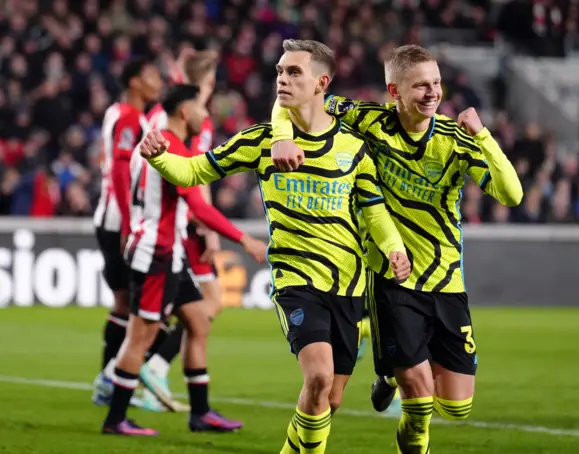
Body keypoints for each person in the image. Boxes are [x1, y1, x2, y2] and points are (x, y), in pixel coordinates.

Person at [138, 39, 412, 453]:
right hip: (297, 280)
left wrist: (394, 247)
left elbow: (374, 212)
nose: (282, 78)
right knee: (317, 378)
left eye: (294, 72)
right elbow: (194, 170)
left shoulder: (354, 149)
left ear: (322, 83)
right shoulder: (261, 140)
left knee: (329, 400)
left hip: (350, 287)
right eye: (281, 71)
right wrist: (160, 157)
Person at [270, 45, 523, 453]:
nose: (432, 93)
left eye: (436, 83)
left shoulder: (455, 140)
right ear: (394, 91)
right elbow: (296, 98)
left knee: (456, 407)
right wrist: (281, 136)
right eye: (420, 85)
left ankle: (386, 375)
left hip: (447, 281)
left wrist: (484, 136)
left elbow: (511, 194)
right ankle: (405, 408)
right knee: (419, 400)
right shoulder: (369, 120)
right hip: (393, 278)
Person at [101, 83, 266, 436]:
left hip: (168, 250)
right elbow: (199, 206)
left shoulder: (154, 140)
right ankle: (115, 419)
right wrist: (244, 239)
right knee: (139, 337)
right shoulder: (170, 148)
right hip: (156, 253)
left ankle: (200, 413)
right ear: (184, 112)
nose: (207, 115)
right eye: (201, 108)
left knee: (199, 320)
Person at [140, 51, 253, 424]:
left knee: (198, 315)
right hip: (181, 230)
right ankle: (151, 366)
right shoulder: (189, 121)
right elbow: (194, 179)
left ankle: (186, 399)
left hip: (173, 226)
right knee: (203, 307)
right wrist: (212, 233)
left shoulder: (163, 116)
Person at [92, 57, 162, 408]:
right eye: (150, 75)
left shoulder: (116, 112)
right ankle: (113, 377)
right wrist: (129, 221)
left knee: (123, 304)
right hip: (120, 221)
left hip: (111, 218)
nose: (156, 81)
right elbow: (120, 169)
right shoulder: (130, 117)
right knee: (138, 306)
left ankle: (109, 376)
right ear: (135, 82)